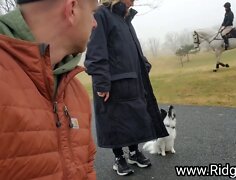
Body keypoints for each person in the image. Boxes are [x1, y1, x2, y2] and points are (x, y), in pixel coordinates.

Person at [0, 0, 98, 179]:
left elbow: (87, 168)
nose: (94, 23)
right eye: (92, 12)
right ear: (72, 9)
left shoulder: (75, 91)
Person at [85, 0, 169, 176]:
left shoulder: (125, 18)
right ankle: (118, 158)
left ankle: (133, 153)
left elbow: (131, 48)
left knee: (134, 116)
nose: (134, 1)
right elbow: (95, 50)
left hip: (132, 79)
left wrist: (143, 64)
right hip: (112, 83)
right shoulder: (101, 14)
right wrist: (101, 82)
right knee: (113, 120)